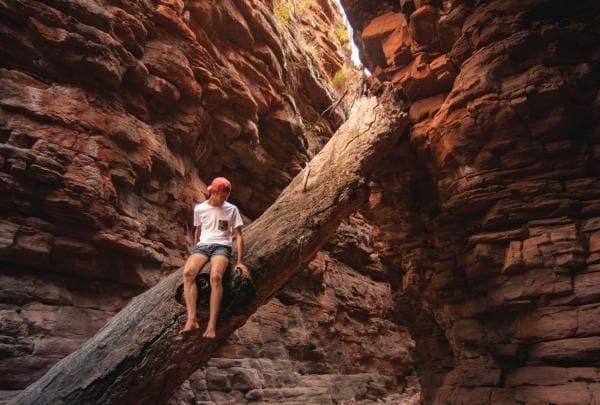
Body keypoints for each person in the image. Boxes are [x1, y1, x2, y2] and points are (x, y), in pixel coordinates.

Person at [181, 177, 250, 337]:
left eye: (227, 196)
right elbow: (198, 230)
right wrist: (196, 247)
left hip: (222, 246)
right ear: (213, 192)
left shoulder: (231, 209)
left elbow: (239, 235)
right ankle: (191, 320)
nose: (224, 199)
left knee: (216, 277)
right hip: (203, 246)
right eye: (222, 196)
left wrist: (240, 262)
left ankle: (211, 326)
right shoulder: (200, 209)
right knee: (188, 274)